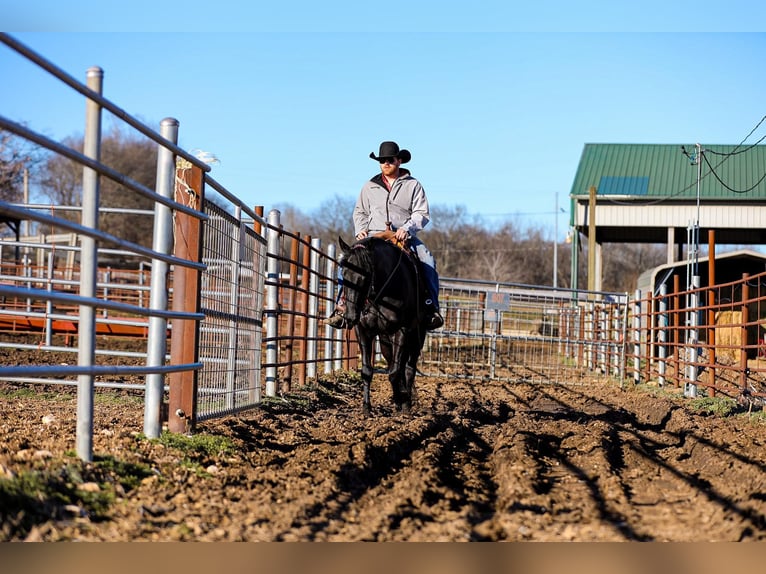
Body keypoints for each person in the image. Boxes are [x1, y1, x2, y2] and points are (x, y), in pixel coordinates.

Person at [325, 141, 444, 331]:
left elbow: (421, 213)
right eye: (382, 160)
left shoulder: (413, 185)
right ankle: (341, 306)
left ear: (399, 161)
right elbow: (360, 212)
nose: (386, 163)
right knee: (346, 260)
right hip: (373, 236)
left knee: (427, 259)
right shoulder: (369, 186)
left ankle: (430, 307)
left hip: (402, 236)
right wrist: (361, 230)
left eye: (390, 159)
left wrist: (407, 228)